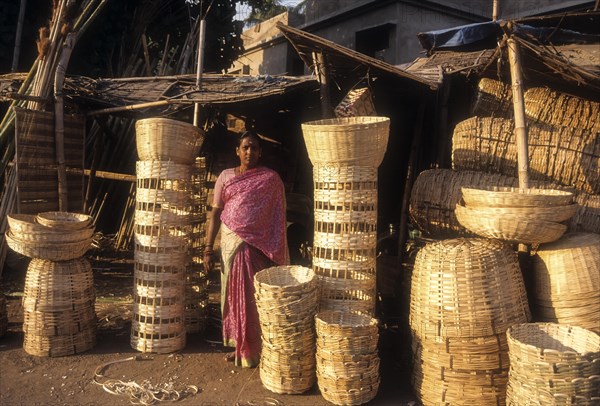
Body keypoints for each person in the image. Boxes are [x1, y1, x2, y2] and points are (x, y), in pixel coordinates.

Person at [204, 131, 289, 368]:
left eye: (254, 148)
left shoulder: (270, 179)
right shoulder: (225, 176)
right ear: (237, 151)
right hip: (230, 244)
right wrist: (208, 248)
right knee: (231, 295)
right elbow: (215, 214)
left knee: (254, 297)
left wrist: (267, 241)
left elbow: (277, 217)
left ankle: (256, 347)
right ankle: (238, 344)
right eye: (245, 147)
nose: (249, 152)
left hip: (258, 247)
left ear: (260, 153)